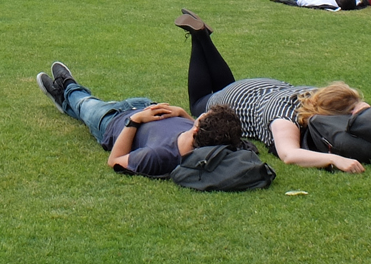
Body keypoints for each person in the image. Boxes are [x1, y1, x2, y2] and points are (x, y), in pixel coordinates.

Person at [170, 9, 371, 172]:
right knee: (199, 105)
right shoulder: (284, 119)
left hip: (258, 89)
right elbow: (289, 155)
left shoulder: (317, 94)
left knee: (225, 88)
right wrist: (334, 158)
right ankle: (199, 37)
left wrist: (363, 111)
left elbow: (354, 104)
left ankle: (203, 34)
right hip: (237, 98)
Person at [35, 61, 248, 179]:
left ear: (197, 131)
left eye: (200, 118)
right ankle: (64, 98)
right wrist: (181, 113)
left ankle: (68, 87)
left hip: (114, 122)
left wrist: (135, 120)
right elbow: (200, 127)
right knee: (86, 106)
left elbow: (114, 161)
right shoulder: (201, 136)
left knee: (85, 104)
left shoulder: (160, 156)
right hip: (143, 104)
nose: (196, 118)